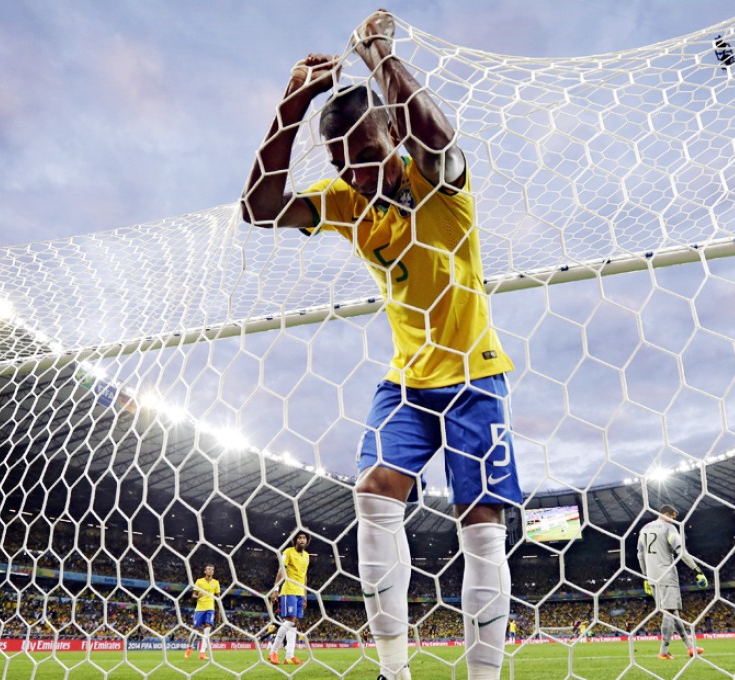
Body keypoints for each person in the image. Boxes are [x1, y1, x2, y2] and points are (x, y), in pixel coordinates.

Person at [241, 9, 523, 680]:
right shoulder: (346, 200)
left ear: (392, 135)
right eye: (343, 161)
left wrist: (379, 56)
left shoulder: (439, 182)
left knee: (479, 523)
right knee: (373, 492)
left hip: (473, 374)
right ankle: (392, 672)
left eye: (367, 155)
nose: (357, 173)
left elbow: (439, 135)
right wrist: (290, 105)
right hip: (405, 381)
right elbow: (259, 206)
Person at [636, 504, 708, 660]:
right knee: (669, 611)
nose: (674, 520)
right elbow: (681, 551)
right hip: (667, 575)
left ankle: (690, 647)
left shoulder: (645, 529)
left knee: (673, 613)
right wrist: (697, 570)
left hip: (652, 577)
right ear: (667, 514)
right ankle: (663, 651)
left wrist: (645, 577)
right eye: (674, 517)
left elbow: (640, 555)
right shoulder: (669, 528)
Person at [268, 531, 311, 665]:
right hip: (289, 591)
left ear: (307, 541)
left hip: (299, 592)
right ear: (295, 540)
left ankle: (289, 656)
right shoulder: (288, 552)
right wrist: (276, 589)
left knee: (294, 624)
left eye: (304, 538)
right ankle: (273, 652)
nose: (302, 540)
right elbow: (281, 570)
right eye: (299, 537)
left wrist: (304, 595)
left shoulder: (307, 556)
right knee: (290, 620)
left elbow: (304, 577)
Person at [185, 564, 220, 660]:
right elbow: (193, 595)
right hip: (200, 608)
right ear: (205, 571)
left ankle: (202, 653)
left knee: (207, 628)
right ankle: (190, 647)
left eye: (212, 570)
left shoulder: (216, 583)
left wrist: (219, 611)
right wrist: (197, 597)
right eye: (208, 569)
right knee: (195, 629)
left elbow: (218, 597)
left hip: (210, 608)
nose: (210, 571)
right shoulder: (199, 581)